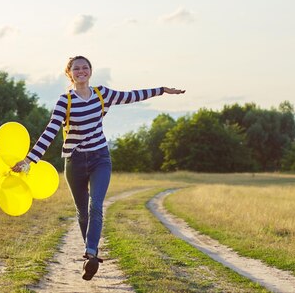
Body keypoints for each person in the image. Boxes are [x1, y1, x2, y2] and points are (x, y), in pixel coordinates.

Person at [12, 55, 185, 281]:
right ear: (70, 73)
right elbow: (50, 131)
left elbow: (132, 96)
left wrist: (162, 90)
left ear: (90, 71)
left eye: (85, 68)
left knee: (96, 206)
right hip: (74, 162)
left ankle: (90, 252)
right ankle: (90, 258)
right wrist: (29, 160)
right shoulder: (65, 101)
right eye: (76, 69)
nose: (81, 71)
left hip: (100, 158)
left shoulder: (103, 94)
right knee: (82, 212)